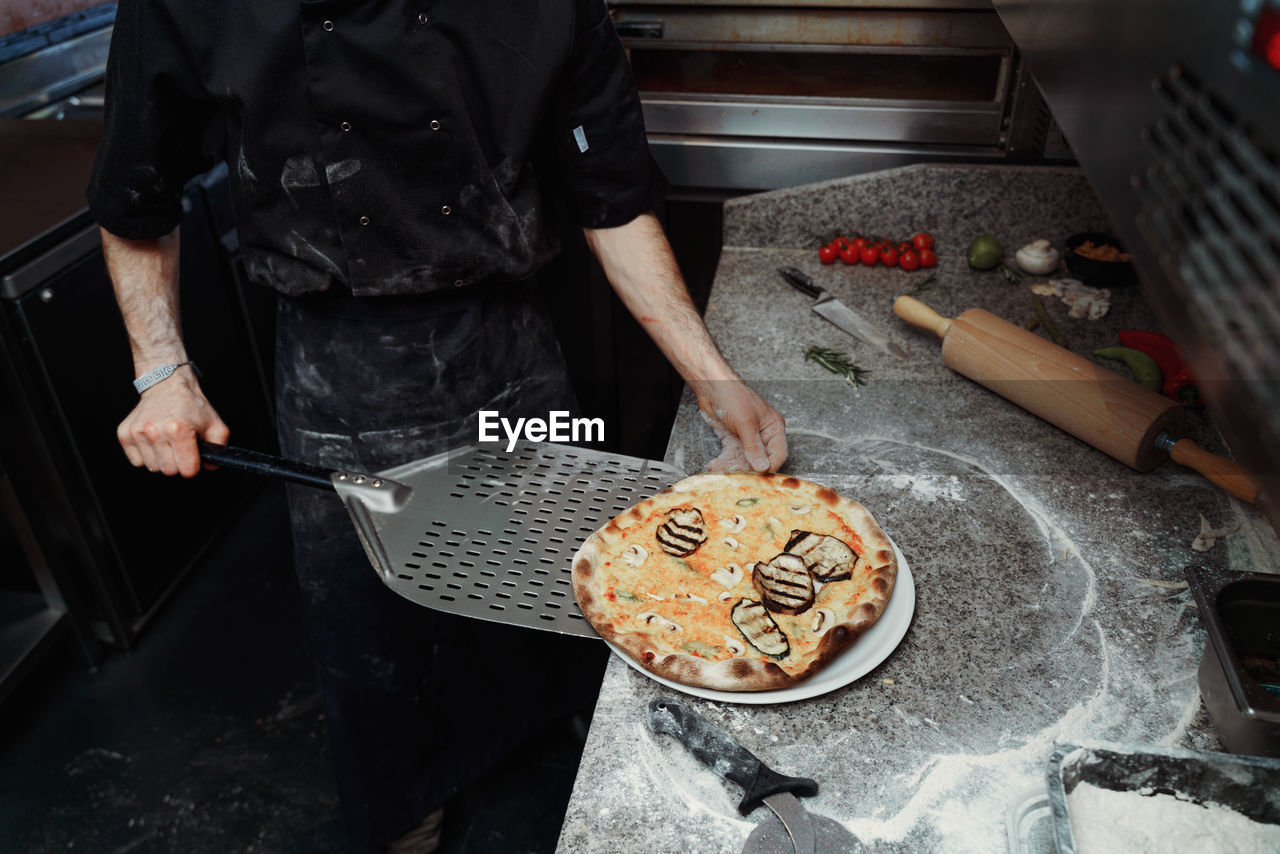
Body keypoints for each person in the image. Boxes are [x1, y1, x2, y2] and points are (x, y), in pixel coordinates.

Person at [88, 1, 788, 851]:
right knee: (373, 633)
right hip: (343, 366)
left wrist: (710, 377)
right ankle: (406, 811)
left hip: (510, 348)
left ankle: (568, 748)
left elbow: (611, 195)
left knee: (553, 571)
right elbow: (137, 185)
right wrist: (162, 371)